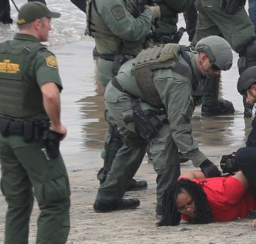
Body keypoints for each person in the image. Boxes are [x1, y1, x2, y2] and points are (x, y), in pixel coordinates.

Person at [94, 36, 234, 214]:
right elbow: (178, 130)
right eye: (215, 68)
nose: (217, 73)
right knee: (164, 137)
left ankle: (106, 199)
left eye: (220, 70)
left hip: (131, 93)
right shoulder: (178, 81)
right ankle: (166, 205)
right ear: (203, 56)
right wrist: (202, 161)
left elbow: (180, 115)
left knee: (135, 144)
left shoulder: (190, 60)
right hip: (122, 97)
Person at [0, 2, 69, 244]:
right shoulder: (40, 56)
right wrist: (56, 125)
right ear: (38, 24)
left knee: (17, 204)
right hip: (33, 138)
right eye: (49, 22)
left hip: (5, 136)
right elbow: (50, 94)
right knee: (54, 202)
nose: (51, 28)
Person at [85, 0, 158, 186]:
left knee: (123, 121)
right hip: (117, 64)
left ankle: (118, 175)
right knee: (121, 122)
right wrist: (150, 14)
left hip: (120, 62)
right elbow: (131, 31)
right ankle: (110, 176)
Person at [157, 169, 256, 226]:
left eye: (190, 203)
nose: (188, 210)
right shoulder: (183, 188)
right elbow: (188, 174)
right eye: (182, 208)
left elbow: (248, 171)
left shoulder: (225, 194)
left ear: (196, 197)